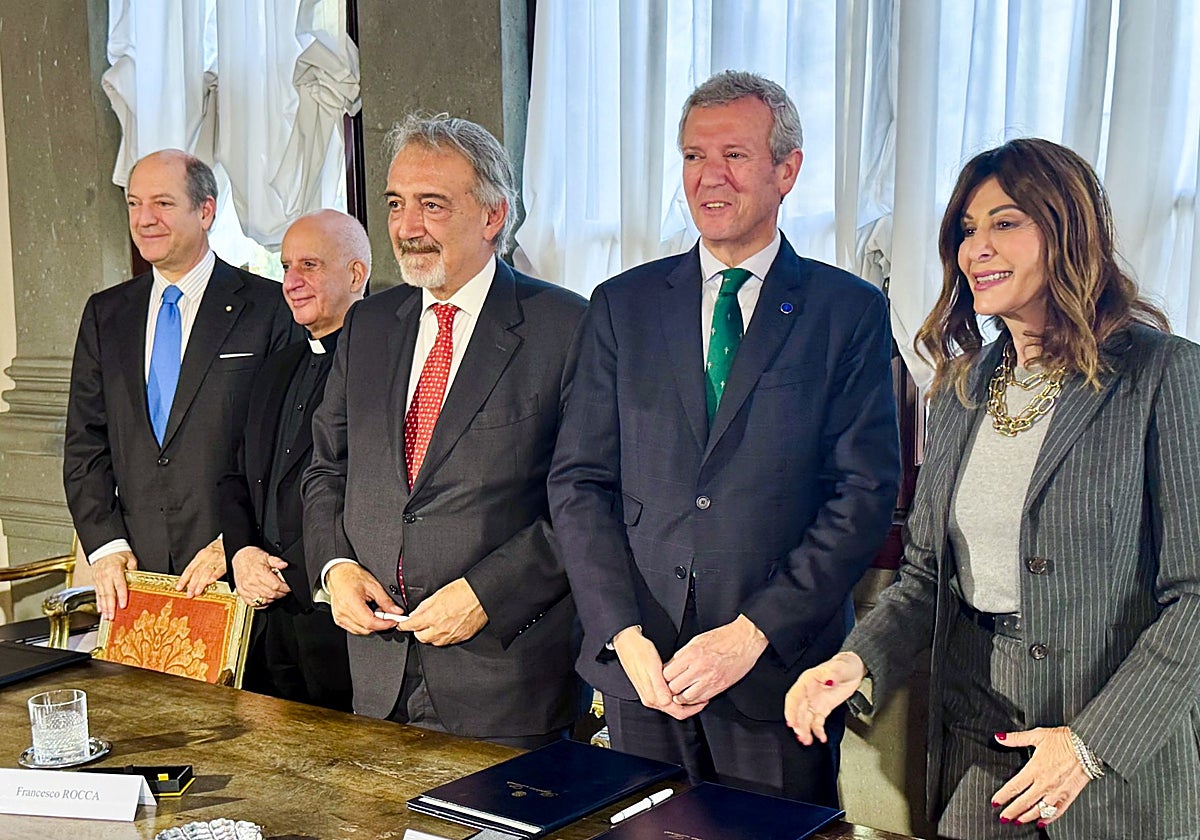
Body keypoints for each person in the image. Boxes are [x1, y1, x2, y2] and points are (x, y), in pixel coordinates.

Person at [785, 138, 1200, 838]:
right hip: (978, 744)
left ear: (1069, 228)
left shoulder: (1166, 376)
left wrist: (1091, 746)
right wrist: (858, 660)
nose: (976, 247)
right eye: (966, 231)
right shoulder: (958, 390)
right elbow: (923, 578)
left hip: (1115, 758)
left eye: (1004, 223)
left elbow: (1194, 594)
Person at [548, 70, 899, 804]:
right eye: (692, 156)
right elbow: (579, 484)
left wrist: (752, 633)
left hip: (776, 674)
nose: (710, 177)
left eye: (734, 155)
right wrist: (622, 634)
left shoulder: (850, 311)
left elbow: (861, 497)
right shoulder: (622, 306)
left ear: (787, 169)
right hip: (644, 672)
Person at [301, 114, 586, 747]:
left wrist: (488, 593)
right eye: (397, 204)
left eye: (432, 205)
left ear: (492, 216)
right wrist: (335, 568)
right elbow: (326, 468)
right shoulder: (369, 324)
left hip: (506, 676)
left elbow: (589, 500)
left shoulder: (565, 327)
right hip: (376, 674)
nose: (406, 228)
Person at [64, 149, 297, 621]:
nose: (144, 219)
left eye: (163, 204)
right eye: (133, 204)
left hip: (235, 574)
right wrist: (106, 545)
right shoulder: (105, 314)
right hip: (135, 577)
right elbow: (84, 442)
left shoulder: (269, 307)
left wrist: (236, 540)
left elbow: (287, 450)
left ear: (206, 211)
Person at [218, 210, 368, 711]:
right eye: (285, 267)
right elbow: (234, 472)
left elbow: (368, 490)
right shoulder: (277, 363)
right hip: (264, 618)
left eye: (309, 265)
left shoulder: (384, 370)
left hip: (341, 617)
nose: (291, 282)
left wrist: (295, 570)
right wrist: (241, 553)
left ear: (355, 274)